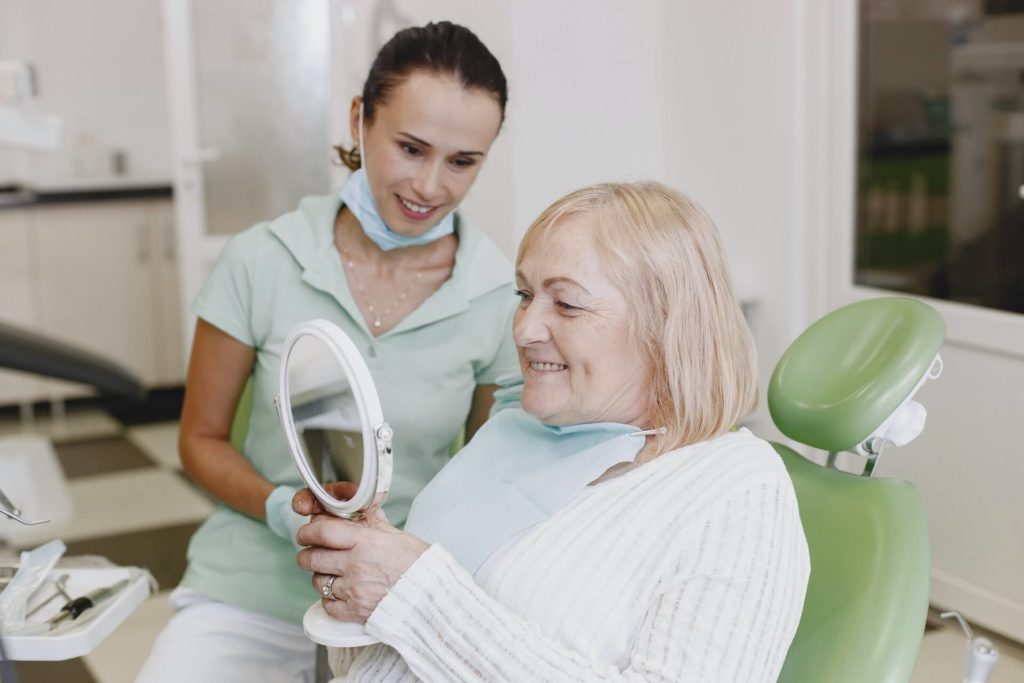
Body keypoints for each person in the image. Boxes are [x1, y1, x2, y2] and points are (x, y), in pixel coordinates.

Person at [295, 181, 811, 682]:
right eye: (525, 295)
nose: (523, 330)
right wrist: (364, 565)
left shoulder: (736, 492)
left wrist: (412, 590)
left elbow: (423, 604)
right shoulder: (518, 434)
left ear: (667, 327)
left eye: (566, 304)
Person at [137, 21, 518, 683]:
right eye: (410, 147)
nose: (430, 185)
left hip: (404, 590)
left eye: (463, 162)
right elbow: (200, 438)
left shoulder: (495, 292)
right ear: (358, 122)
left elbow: (486, 473)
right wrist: (282, 509)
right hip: (253, 577)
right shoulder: (263, 258)